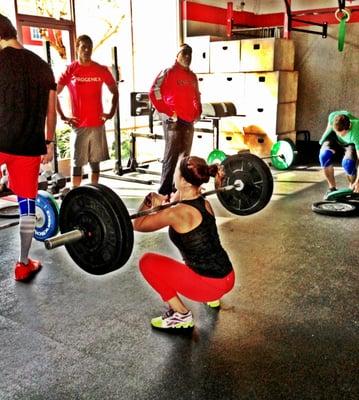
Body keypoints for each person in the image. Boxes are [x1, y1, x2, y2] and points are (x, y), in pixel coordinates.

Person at [133, 155, 235, 330]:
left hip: (210, 284)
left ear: (186, 182)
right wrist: (165, 202)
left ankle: (181, 315)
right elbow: (176, 200)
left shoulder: (176, 213)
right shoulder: (204, 201)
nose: (173, 175)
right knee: (197, 251)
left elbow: (138, 224)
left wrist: (149, 200)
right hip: (227, 275)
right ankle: (211, 298)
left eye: (177, 172)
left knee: (147, 262)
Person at [0, 14, 56, 281]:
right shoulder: (42, 66)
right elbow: (51, 110)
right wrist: (50, 142)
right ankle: (23, 264)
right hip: (28, 146)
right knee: (27, 207)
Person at [56, 34, 118, 188]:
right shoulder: (71, 70)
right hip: (79, 125)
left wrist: (110, 113)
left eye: (89, 47)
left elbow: (115, 92)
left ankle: (93, 193)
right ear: (77, 48)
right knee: (77, 164)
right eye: (83, 47)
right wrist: (63, 116)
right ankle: (75, 193)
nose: (87, 50)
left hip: (97, 124)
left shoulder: (101, 69)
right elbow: (53, 93)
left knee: (95, 163)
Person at [149, 43, 202, 196]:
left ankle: (177, 189)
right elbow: (154, 92)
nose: (187, 56)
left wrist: (197, 112)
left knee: (184, 158)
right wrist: (167, 111)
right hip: (173, 120)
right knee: (171, 157)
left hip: (188, 120)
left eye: (190, 54)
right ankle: (164, 193)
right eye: (184, 53)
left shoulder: (192, 76)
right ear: (177, 55)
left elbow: (196, 95)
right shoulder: (168, 72)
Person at [319, 110, 359, 197]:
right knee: (324, 155)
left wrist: (358, 181)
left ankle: (353, 188)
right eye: (338, 132)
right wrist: (322, 142)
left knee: (348, 163)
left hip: (350, 143)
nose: (340, 135)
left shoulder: (357, 130)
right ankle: (332, 188)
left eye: (342, 134)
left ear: (348, 128)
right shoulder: (332, 117)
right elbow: (327, 132)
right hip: (333, 139)